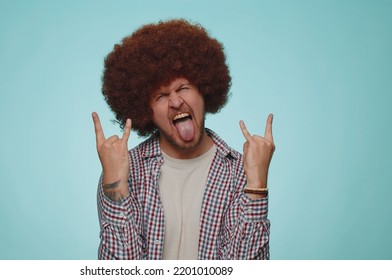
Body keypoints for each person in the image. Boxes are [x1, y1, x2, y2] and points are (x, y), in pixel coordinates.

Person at [92, 19, 275, 260]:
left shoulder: (241, 172)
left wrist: (256, 186)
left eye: (184, 88)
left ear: (204, 90)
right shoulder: (126, 171)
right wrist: (115, 184)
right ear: (145, 111)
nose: (176, 101)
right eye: (161, 95)